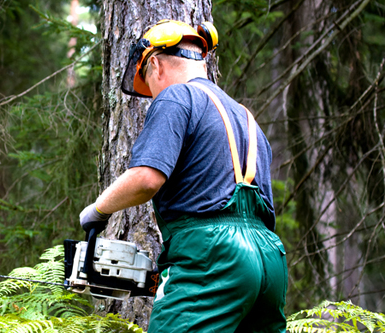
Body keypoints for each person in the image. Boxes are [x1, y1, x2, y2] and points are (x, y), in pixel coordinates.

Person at [80, 19, 288, 333]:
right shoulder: (247, 119)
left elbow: (147, 178)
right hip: (269, 260)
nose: (152, 96)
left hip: (212, 256)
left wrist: (98, 210)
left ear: (154, 65)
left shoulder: (176, 97)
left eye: (148, 86)